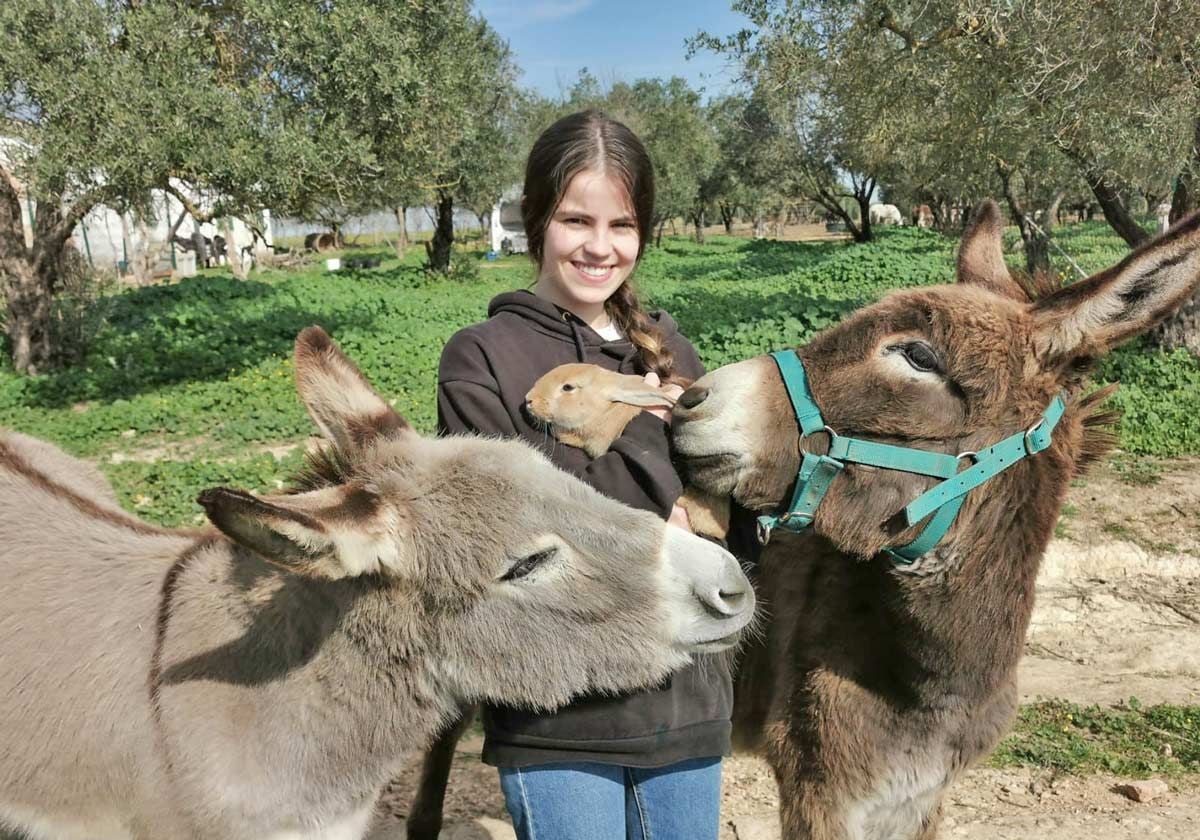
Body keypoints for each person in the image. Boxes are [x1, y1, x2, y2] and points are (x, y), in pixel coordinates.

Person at [437, 109, 731, 840]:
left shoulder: (668, 350)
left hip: (686, 697)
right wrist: (651, 447)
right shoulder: (480, 358)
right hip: (557, 709)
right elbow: (518, 530)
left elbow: (726, 510)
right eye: (576, 220)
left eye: (622, 226)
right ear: (537, 219)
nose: (600, 248)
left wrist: (611, 472)